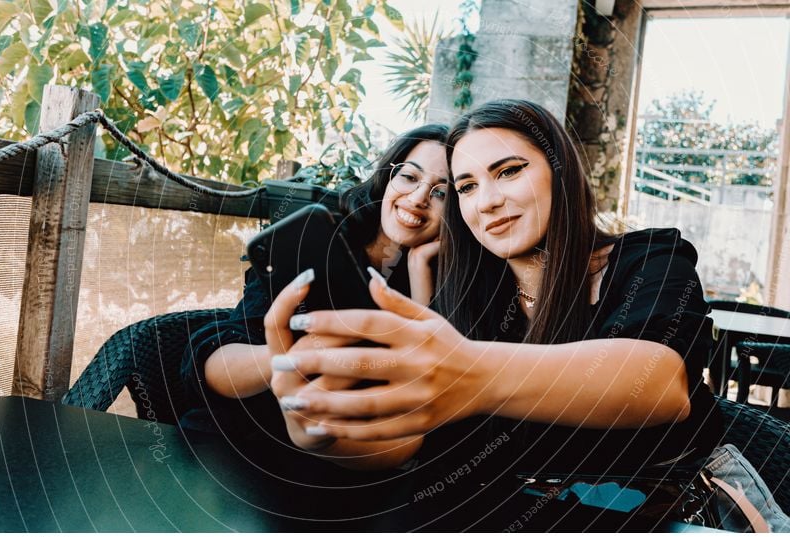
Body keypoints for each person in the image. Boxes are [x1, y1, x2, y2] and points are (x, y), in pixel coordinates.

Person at [264, 99, 723, 480]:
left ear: (560, 172)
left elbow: (660, 383)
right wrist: (324, 431)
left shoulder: (649, 260)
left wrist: (469, 371)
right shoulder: (472, 296)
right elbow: (410, 437)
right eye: (465, 187)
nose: (486, 201)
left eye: (508, 171)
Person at [179, 123, 450, 474]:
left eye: (442, 193)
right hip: (234, 444)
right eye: (410, 177)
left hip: (336, 469)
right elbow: (213, 363)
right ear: (388, 178)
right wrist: (291, 357)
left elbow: (415, 395)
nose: (418, 198)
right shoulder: (320, 240)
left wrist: (419, 271)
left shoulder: (445, 280)